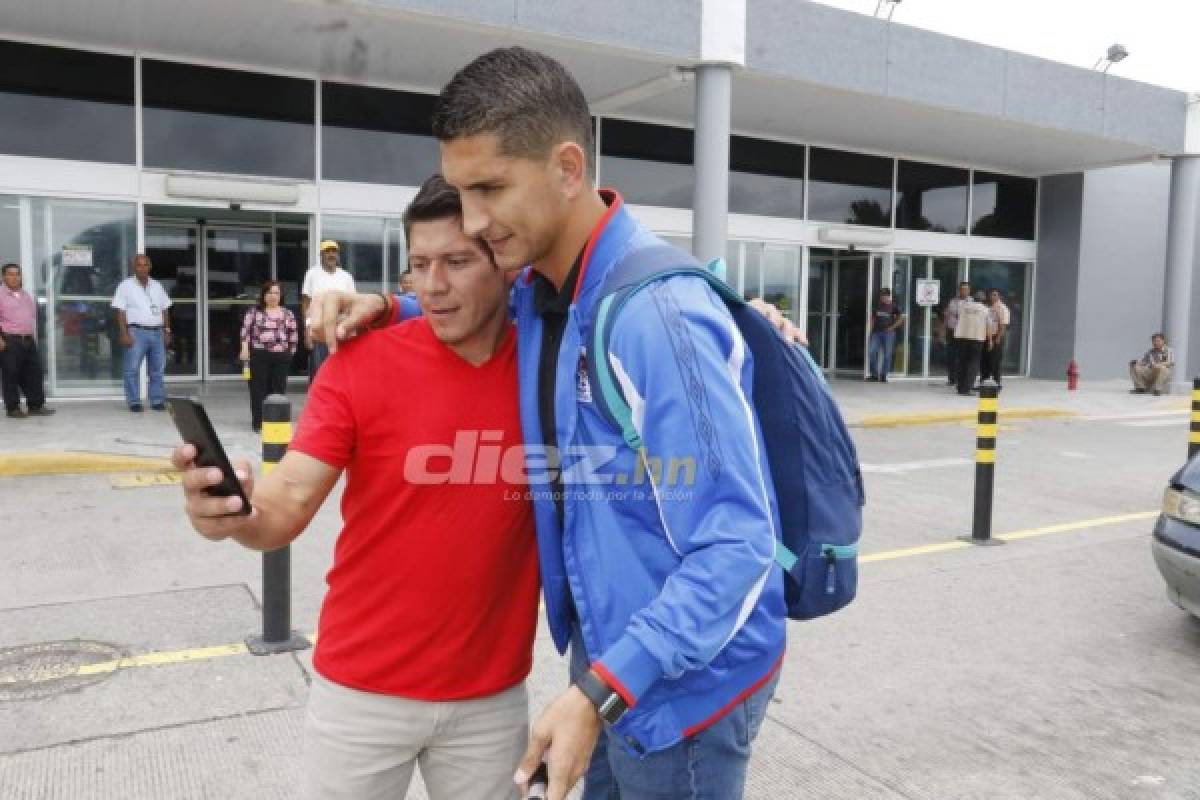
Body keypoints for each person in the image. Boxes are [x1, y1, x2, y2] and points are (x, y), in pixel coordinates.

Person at [173, 176, 539, 800]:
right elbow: (284, 506)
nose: (432, 285)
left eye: (456, 261)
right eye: (418, 265)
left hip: (491, 697)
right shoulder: (361, 363)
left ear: (505, 265)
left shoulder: (547, 364)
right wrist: (234, 513)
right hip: (362, 690)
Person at [112, 254, 171, 412]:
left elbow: (165, 309)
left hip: (157, 333)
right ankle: (134, 401)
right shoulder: (125, 286)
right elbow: (120, 310)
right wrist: (124, 333)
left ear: (150, 267)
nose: (143, 268)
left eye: (145, 265)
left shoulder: (157, 285)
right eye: (139, 265)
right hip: (136, 332)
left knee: (157, 370)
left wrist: (167, 330)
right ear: (134, 267)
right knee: (131, 369)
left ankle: (157, 400)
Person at [239, 280, 298, 432]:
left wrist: (290, 352)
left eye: (276, 293)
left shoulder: (288, 313)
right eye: (269, 292)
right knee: (258, 389)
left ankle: (275, 422)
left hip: (281, 356)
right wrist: (245, 349)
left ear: (281, 296)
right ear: (263, 295)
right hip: (259, 355)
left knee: (278, 389)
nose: (273, 296)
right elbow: (245, 332)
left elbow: (293, 335)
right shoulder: (254, 312)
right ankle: (258, 423)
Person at [0, 263, 54, 418]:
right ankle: (13, 408)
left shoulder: (25, 295)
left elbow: (31, 318)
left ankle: (36, 405)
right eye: (10, 274)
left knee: (34, 374)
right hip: (9, 340)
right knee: (11, 374)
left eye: (17, 274)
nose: (14, 277)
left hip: (28, 340)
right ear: (3, 277)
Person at [301, 240, 355, 380]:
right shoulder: (312, 274)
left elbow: (351, 304)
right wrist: (307, 329)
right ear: (321, 255)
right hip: (319, 328)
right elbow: (306, 303)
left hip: (341, 328)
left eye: (334, 251)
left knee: (341, 368)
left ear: (338, 255)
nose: (331, 254)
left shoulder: (346, 276)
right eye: (327, 251)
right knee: (319, 369)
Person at [953, 290, 989, 396]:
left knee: (962, 363)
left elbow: (957, 317)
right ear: (983, 299)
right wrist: (990, 339)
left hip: (962, 337)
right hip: (977, 338)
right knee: (973, 364)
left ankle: (960, 387)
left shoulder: (963, 307)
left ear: (973, 298)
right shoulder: (985, 310)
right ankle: (966, 389)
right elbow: (989, 325)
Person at [867, 286, 904, 382]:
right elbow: (873, 318)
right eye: (882, 295)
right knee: (872, 352)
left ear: (888, 296)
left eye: (885, 295)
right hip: (876, 333)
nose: (883, 297)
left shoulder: (894, 306)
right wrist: (870, 331)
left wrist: (892, 328)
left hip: (888, 334)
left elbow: (900, 319)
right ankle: (874, 375)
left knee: (887, 355)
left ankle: (884, 375)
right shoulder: (877, 306)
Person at [941, 281, 970, 385]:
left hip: (964, 333)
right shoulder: (953, 301)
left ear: (969, 290)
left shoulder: (972, 303)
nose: (964, 291)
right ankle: (952, 378)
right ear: (959, 290)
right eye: (962, 289)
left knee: (962, 357)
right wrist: (943, 330)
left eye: (966, 289)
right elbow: (946, 316)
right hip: (952, 331)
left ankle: (961, 378)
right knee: (951, 356)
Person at [981, 288, 1010, 388]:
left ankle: (997, 383)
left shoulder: (1002, 308)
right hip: (987, 337)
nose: (992, 297)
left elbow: (1003, 325)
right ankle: (984, 383)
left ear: (999, 296)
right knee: (985, 361)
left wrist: (998, 338)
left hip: (996, 337)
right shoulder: (989, 307)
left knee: (995, 361)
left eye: (994, 295)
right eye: (991, 295)